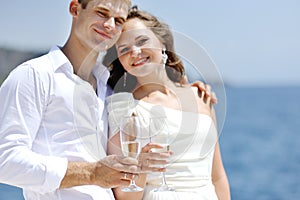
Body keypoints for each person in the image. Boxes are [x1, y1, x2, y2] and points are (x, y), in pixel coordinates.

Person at [0, 1, 214, 200]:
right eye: (102, 13)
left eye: (118, 20)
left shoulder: (111, 90)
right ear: (75, 9)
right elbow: (4, 161)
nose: (110, 25)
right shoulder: (34, 75)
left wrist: (187, 89)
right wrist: (91, 173)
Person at [105, 7, 231, 200]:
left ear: (162, 42)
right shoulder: (124, 109)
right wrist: (141, 168)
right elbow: (125, 197)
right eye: (124, 49)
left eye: (142, 41)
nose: (135, 52)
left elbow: (218, 177)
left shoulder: (200, 96)